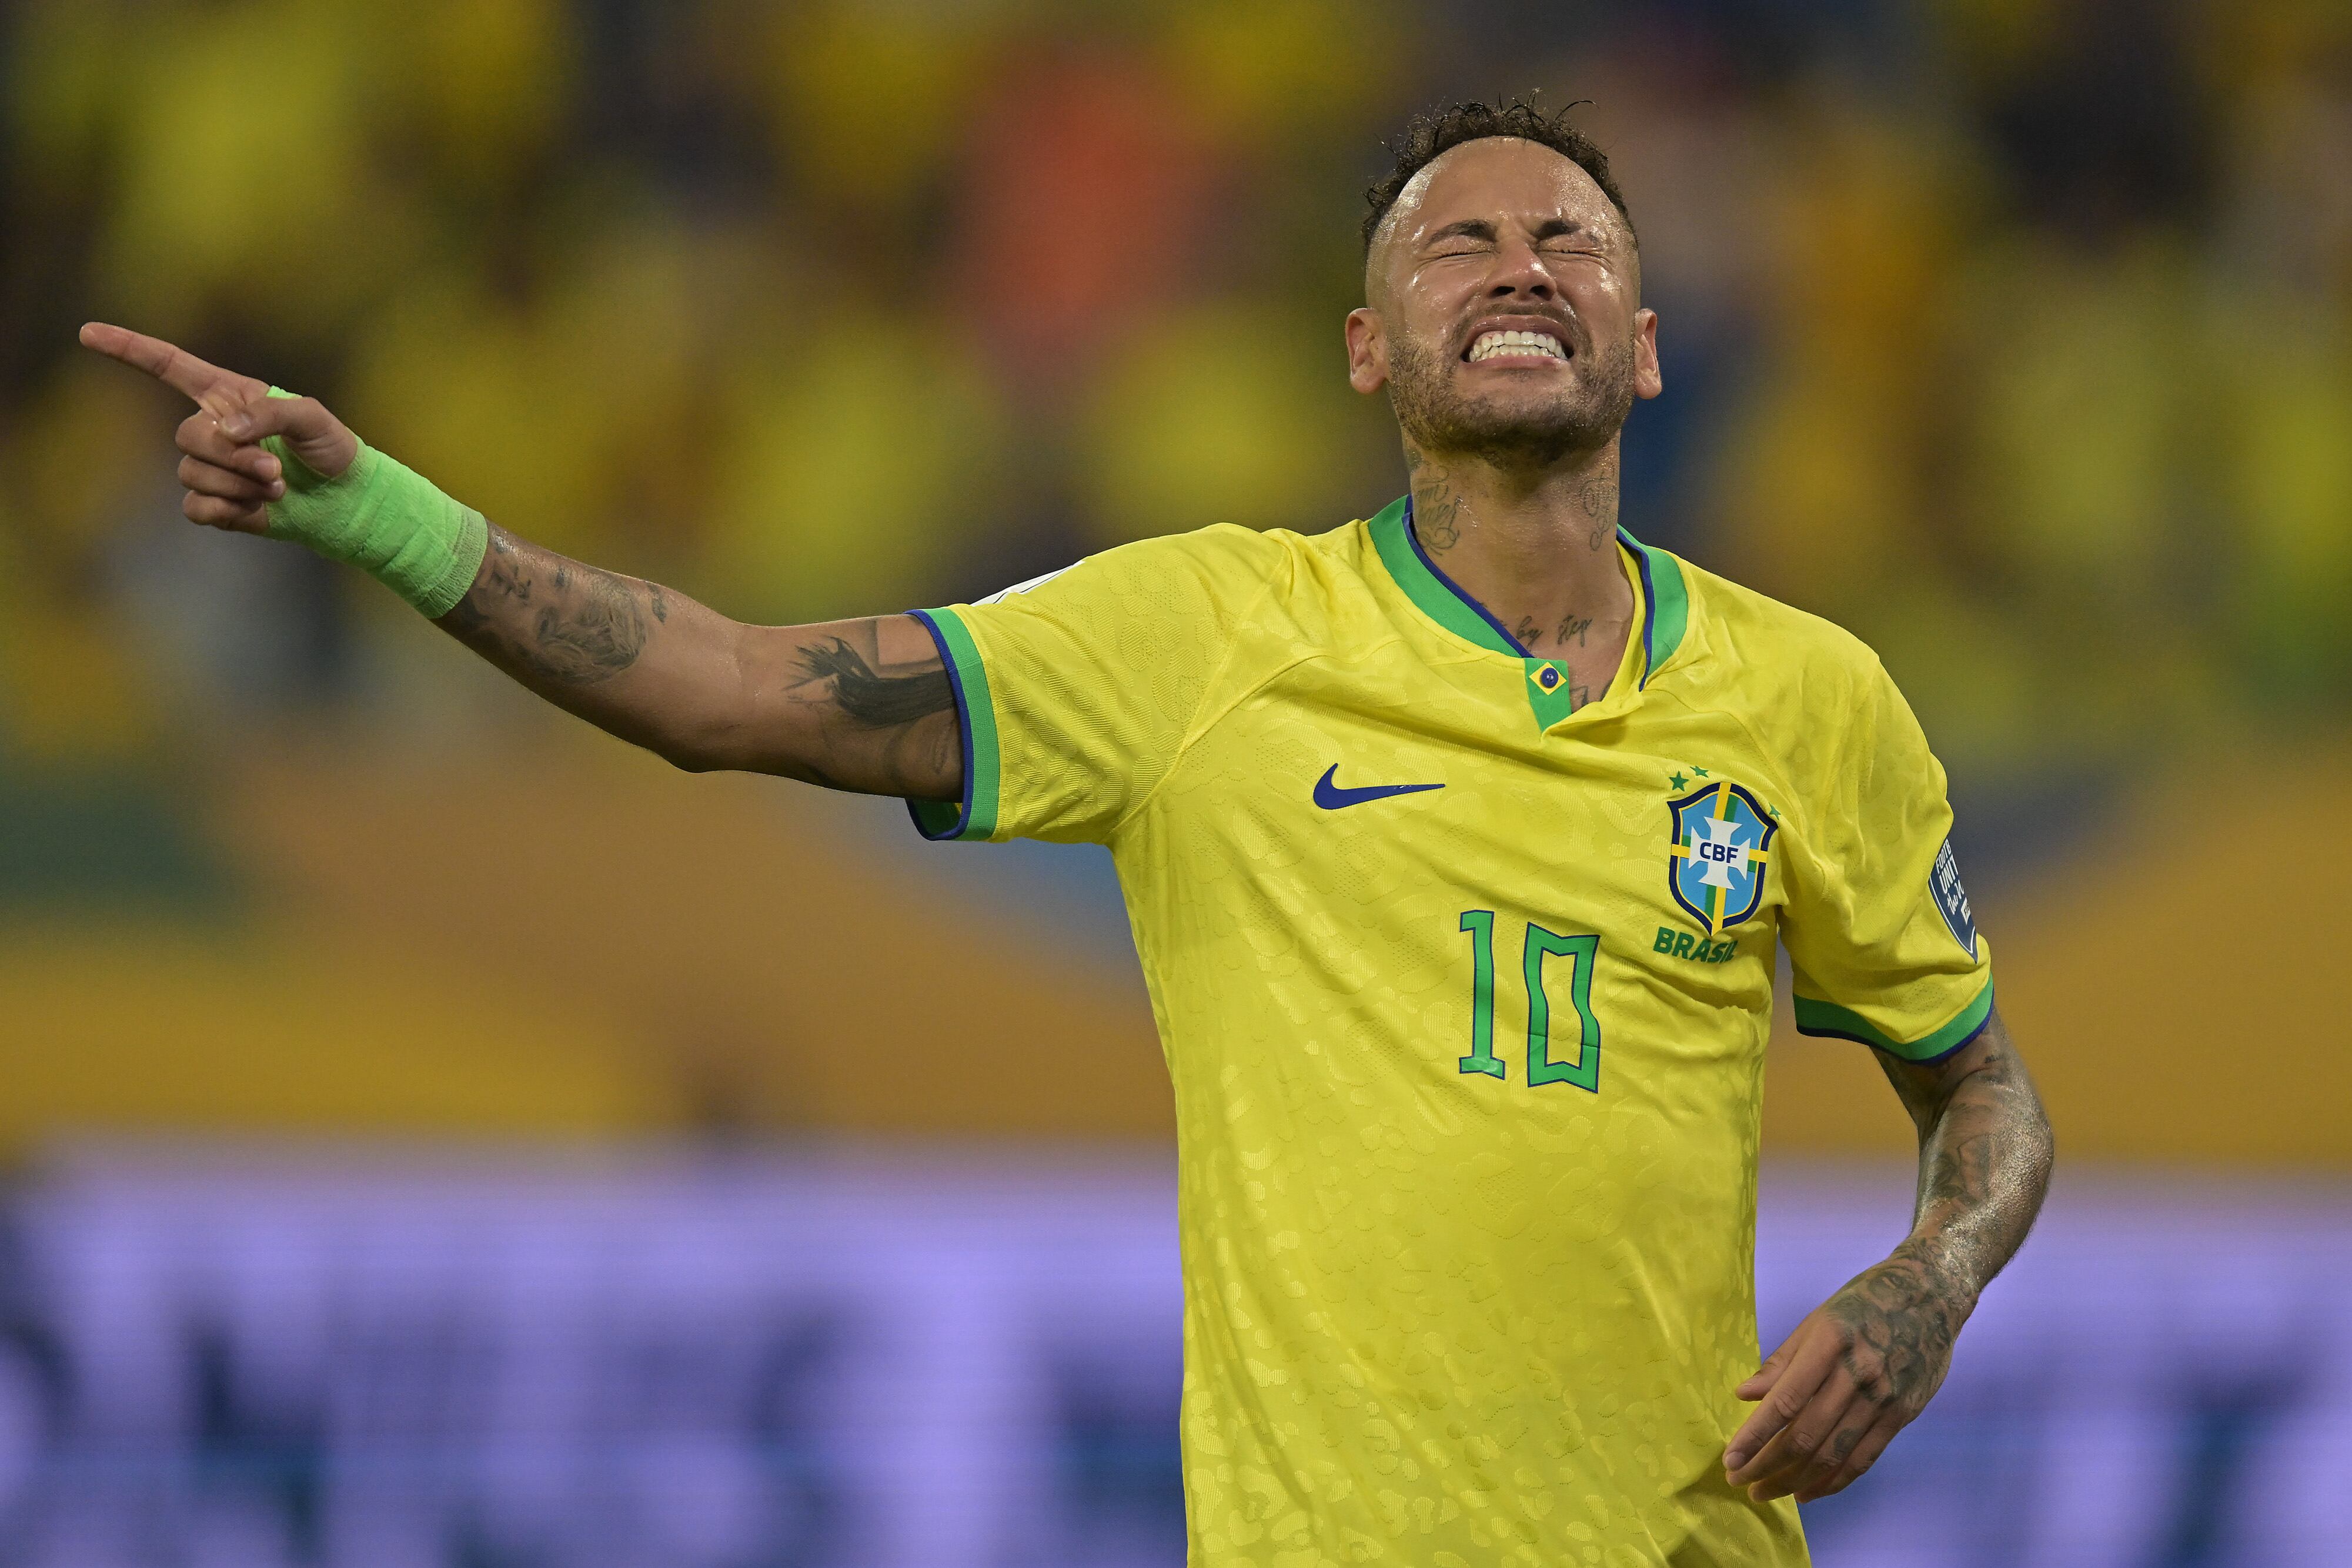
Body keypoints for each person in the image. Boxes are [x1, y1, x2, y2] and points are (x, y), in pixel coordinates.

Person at [86, 98, 2052, 1568]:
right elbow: (728, 687)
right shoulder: (1206, 637)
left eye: (1572, 241)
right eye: (1456, 244)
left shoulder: (1814, 701)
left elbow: (1983, 1090)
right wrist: (381, 511)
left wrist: (1932, 1282)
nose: (1522, 265)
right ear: (1368, 350)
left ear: (1648, 341)